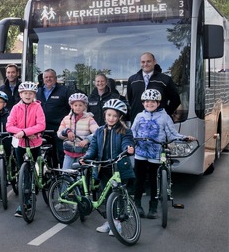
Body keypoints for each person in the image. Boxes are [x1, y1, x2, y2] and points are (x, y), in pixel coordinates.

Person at [131, 89, 194, 219]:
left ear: (158, 103)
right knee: (139, 180)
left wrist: (184, 137)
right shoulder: (139, 116)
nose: (149, 104)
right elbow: (132, 132)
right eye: (146, 101)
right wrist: (129, 143)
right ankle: (137, 205)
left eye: (153, 101)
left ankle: (153, 207)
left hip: (155, 153)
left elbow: (172, 133)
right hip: (140, 152)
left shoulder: (165, 117)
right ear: (143, 103)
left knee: (154, 181)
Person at [80, 99, 135, 235]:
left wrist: (128, 148)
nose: (111, 118)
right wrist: (86, 158)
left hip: (119, 168)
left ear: (120, 117)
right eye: (109, 115)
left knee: (119, 196)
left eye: (115, 116)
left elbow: (127, 143)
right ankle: (109, 221)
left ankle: (118, 222)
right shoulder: (99, 131)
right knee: (106, 196)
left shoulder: (125, 131)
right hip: (103, 168)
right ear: (105, 115)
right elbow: (93, 148)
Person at [5, 81, 46, 218]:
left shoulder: (37, 107)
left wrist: (25, 132)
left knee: (33, 170)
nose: (28, 95)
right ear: (20, 94)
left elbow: (41, 124)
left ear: (34, 94)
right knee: (23, 173)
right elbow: (9, 126)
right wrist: (23, 132)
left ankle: (34, 189)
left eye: (31, 93)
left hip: (35, 143)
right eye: (25, 93)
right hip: (21, 143)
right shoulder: (16, 108)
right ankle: (25, 201)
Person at [126, 52, 181, 125]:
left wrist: (165, 113)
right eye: (143, 62)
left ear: (154, 62)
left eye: (148, 61)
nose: (145, 64)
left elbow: (175, 100)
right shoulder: (132, 80)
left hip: (159, 124)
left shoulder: (165, 80)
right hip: (138, 122)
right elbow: (131, 100)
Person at [36, 69, 70, 167]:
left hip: (59, 128)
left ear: (55, 78)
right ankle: (51, 178)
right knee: (47, 155)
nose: (48, 79)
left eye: (51, 77)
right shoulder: (38, 91)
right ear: (43, 79)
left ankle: (63, 178)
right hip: (43, 128)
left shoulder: (64, 91)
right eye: (46, 77)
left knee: (61, 153)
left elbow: (72, 108)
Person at [57, 93, 99, 170]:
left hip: (82, 154)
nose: (78, 107)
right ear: (71, 106)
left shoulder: (89, 119)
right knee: (65, 175)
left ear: (85, 106)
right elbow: (59, 134)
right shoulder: (66, 119)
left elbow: (97, 132)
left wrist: (87, 140)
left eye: (80, 105)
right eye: (75, 105)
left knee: (80, 177)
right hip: (68, 153)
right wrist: (66, 132)